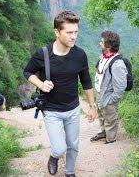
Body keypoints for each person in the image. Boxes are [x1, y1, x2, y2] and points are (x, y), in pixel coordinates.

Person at [23, 10, 96, 177]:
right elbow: (28, 72)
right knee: (59, 148)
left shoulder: (80, 55)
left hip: (72, 108)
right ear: (57, 32)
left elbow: (86, 81)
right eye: (69, 32)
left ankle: (69, 172)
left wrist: (92, 106)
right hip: (51, 109)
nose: (73, 36)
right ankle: (54, 157)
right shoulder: (43, 54)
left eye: (76, 32)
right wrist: (41, 83)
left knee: (73, 145)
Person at [90, 30, 127, 144]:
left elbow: (120, 86)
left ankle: (111, 139)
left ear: (109, 45)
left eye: (102, 41)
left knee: (110, 118)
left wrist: (111, 100)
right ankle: (104, 133)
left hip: (108, 96)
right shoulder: (104, 57)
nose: (100, 43)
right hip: (101, 93)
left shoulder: (117, 64)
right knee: (102, 115)